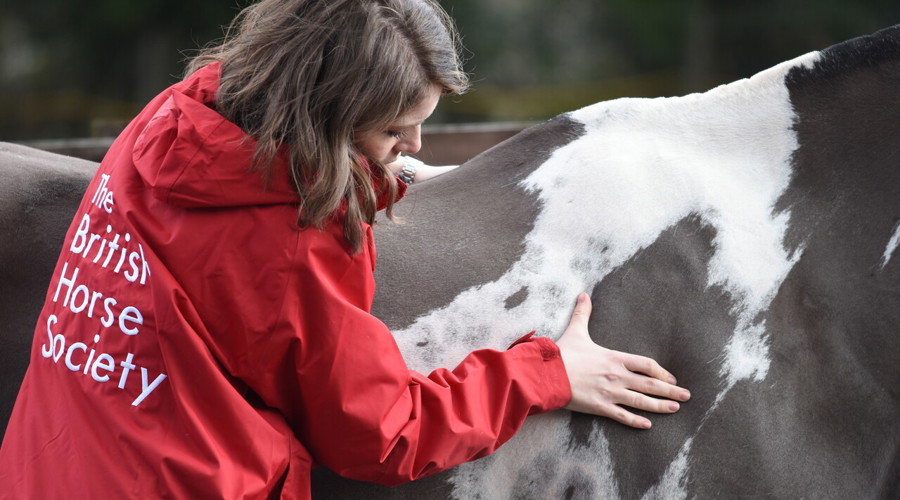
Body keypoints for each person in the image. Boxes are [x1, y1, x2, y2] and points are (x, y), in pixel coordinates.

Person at [0, 0, 690, 498]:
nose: (414, 145)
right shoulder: (295, 245)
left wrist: (382, 169)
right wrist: (547, 375)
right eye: (394, 132)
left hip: (42, 469)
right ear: (325, 118)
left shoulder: (168, 121)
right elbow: (382, 433)